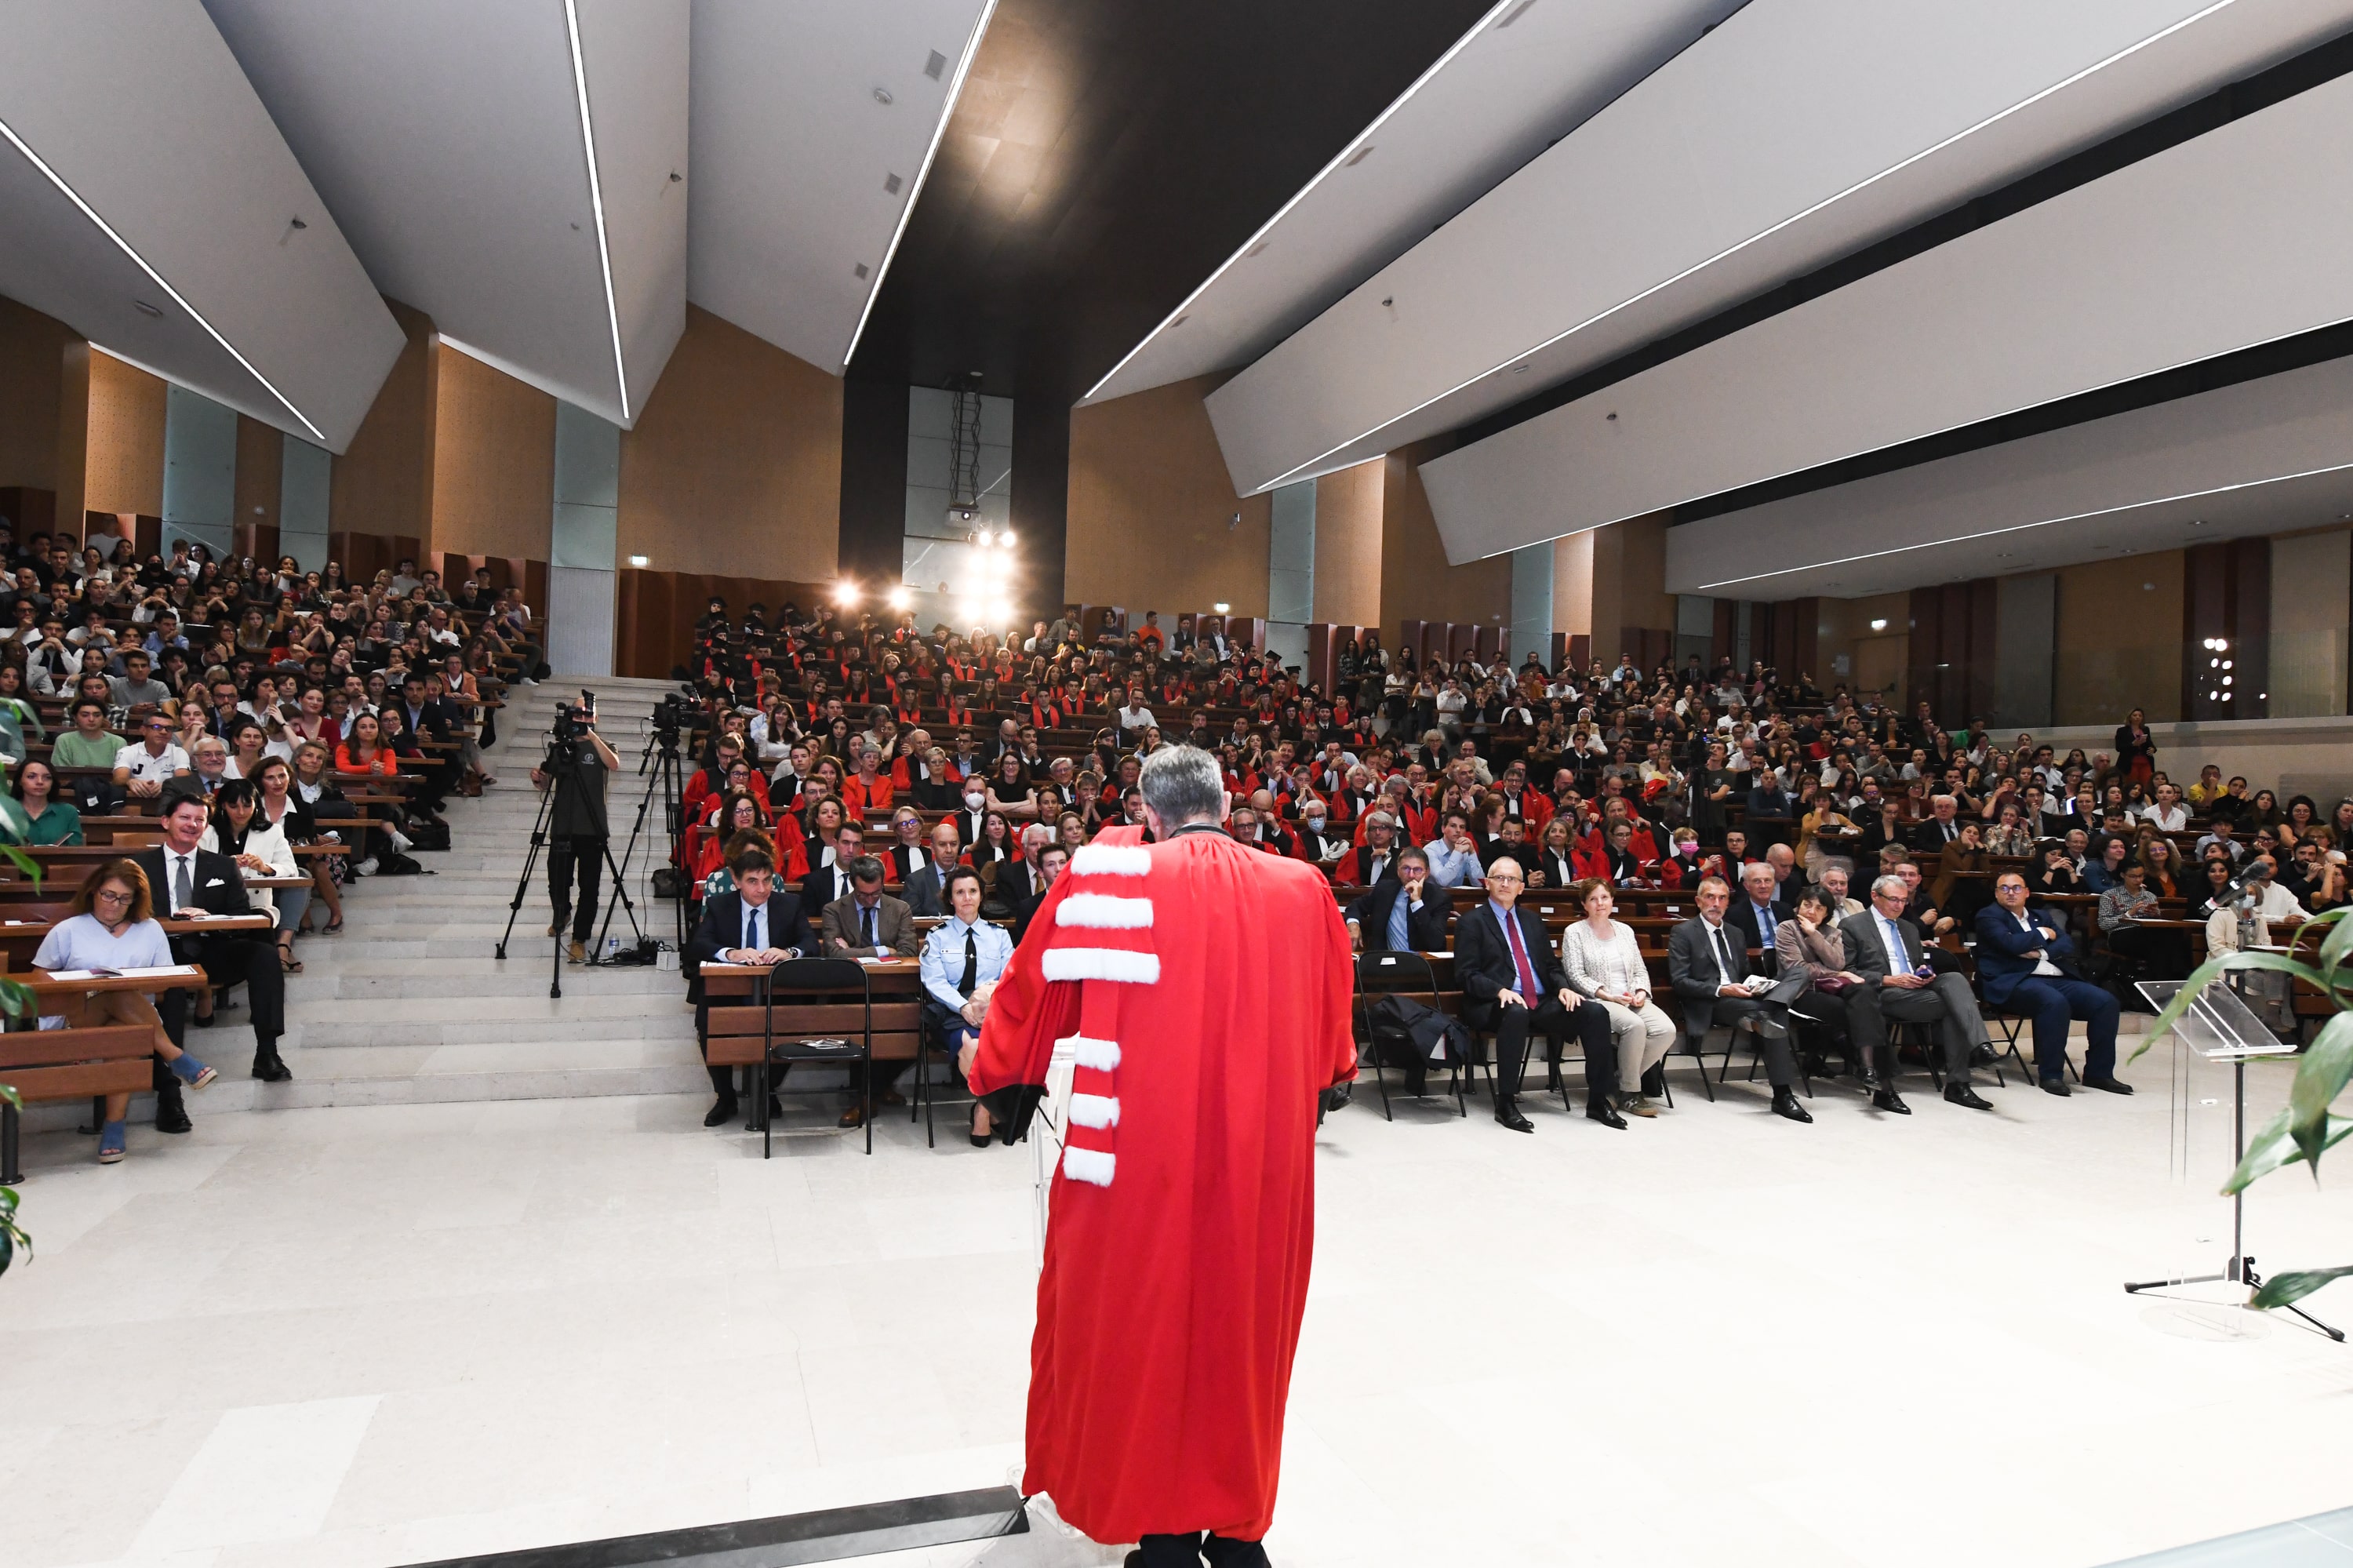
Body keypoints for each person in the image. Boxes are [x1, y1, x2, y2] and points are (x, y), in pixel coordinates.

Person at [961, 744, 1355, 1564]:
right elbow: (1332, 1051)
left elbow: (1035, 996)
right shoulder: (1302, 888)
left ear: (1149, 813)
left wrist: (998, 1072)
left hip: (1137, 1155)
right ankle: (1236, 1524)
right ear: (1226, 802)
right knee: (1242, 1334)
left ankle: (1162, 1526)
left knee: (1136, 1334)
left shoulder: (1109, 881)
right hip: (1264, 1160)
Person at [32, 861, 219, 1163]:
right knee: (114, 992)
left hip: (134, 1022)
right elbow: (38, 982)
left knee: (125, 1035)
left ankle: (114, 1129)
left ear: (136, 899)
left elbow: (163, 986)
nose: (114, 904)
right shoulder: (67, 930)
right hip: (78, 1019)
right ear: (94, 891)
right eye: (108, 895)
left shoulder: (150, 930)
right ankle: (176, 1057)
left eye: (124, 898)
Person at [133, 790, 290, 1086]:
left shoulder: (222, 865)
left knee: (265, 954)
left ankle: (267, 1052)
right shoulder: (139, 865)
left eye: (200, 820)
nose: (192, 825)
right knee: (175, 982)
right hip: (160, 952)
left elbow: (241, 916)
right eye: (185, 818)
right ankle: (168, 1075)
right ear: (165, 821)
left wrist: (209, 918)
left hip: (210, 947)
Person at [1454, 855, 1622, 1132]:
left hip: (1540, 1002)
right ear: (1487, 884)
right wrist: (1499, 990)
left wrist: (1564, 987)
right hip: (1494, 1003)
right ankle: (1506, 1103)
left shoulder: (1532, 921)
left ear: (1522, 887)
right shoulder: (1472, 922)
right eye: (1499, 878)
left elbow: (1549, 966)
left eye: (1512, 879)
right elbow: (1467, 974)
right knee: (1516, 1012)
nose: (1505, 883)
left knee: (1594, 1012)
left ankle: (1598, 1100)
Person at [1837, 874, 1993, 1111]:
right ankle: (1961, 1080)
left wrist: (1924, 971)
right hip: (1882, 992)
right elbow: (1846, 971)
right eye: (1893, 900)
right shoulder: (1853, 925)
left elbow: (1917, 963)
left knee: (1954, 979)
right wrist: (1889, 979)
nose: (1899, 905)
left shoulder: (1909, 928)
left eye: (1903, 900)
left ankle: (1980, 1052)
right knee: (1957, 1007)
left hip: (1915, 989)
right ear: (1874, 896)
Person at [684, 846, 813, 1126]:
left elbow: (809, 943)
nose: (762, 888)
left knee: (799, 1021)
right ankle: (726, 1097)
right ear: (736, 880)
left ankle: (766, 1089)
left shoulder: (788, 904)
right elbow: (699, 944)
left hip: (777, 989)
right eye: (753, 881)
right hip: (730, 989)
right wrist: (731, 953)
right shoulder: (721, 906)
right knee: (709, 1021)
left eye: (767, 880)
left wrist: (789, 952)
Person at [1667, 876, 1810, 1123]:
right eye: (1710, 897)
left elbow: (1744, 975)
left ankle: (1771, 1006)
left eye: (1722, 898)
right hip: (1713, 1001)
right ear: (1698, 901)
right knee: (1775, 1012)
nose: (1716, 903)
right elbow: (1680, 982)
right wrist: (1723, 990)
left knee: (1800, 972)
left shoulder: (1735, 932)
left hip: (1744, 998)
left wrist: (1755, 986)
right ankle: (1783, 1094)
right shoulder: (1683, 932)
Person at [1977, 871, 2130, 1097]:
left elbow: (2066, 944)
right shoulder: (1988, 916)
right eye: (2004, 888)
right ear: (1997, 893)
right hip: (2015, 981)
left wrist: (2040, 954)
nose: (2011, 893)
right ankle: (2052, 1075)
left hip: (2056, 976)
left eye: (2017, 888)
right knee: (2053, 1002)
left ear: (2027, 892)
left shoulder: (2042, 916)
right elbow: (2009, 944)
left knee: (2105, 1002)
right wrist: (2043, 935)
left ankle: (2099, 1073)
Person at [1559, 878, 1675, 1117]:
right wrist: (1607, 995)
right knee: (1634, 1026)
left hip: (1631, 997)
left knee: (1666, 1030)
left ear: (1612, 900)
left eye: (1604, 897)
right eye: (1593, 899)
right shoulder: (1575, 932)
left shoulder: (1624, 930)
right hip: (1599, 1000)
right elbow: (1575, 975)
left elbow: (1640, 969)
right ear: (1584, 904)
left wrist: (1641, 993)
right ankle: (1632, 1093)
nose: (1600, 903)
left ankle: (1617, 1083)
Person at [920, 865, 1015, 1145]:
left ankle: (983, 1110)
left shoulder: (999, 935)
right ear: (950, 898)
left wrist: (987, 1004)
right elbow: (934, 982)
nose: (967, 898)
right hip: (951, 1011)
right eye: (959, 892)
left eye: (972, 891)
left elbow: (1008, 977)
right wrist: (964, 1007)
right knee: (974, 1046)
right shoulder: (937, 936)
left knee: (1006, 1043)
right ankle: (989, 1109)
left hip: (993, 1009)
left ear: (981, 896)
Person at [529, 706, 620, 964]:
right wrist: (538, 778)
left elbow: (614, 764)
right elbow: (546, 784)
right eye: (577, 716)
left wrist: (591, 736)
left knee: (589, 888)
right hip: (562, 825)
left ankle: (579, 939)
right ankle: (563, 913)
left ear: (595, 719)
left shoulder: (604, 744)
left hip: (593, 827)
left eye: (587, 716)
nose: (582, 721)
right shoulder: (561, 748)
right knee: (557, 880)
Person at [1343, 846, 1449, 952]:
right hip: (1385, 962)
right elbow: (1356, 905)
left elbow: (1436, 943)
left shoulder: (1439, 898)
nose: (1411, 875)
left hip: (1421, 963)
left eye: (1417, 870)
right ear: (1398, 871)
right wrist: (1353, 925)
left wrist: (1417, 903)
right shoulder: (1385, 890)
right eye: (1406, 868)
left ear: (1427, 873)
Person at [8, 757, 83, 845]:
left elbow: (75, 852)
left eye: (47, 778)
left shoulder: (68, 812)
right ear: (19, 781)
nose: (40, 782)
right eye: (31, 777)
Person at [900, 820, 963, 917]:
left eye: (953, 844)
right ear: (933, 848)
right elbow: (910, 920)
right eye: (942, 845)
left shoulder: (969, 878)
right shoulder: (916, 881)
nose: (949, 850)